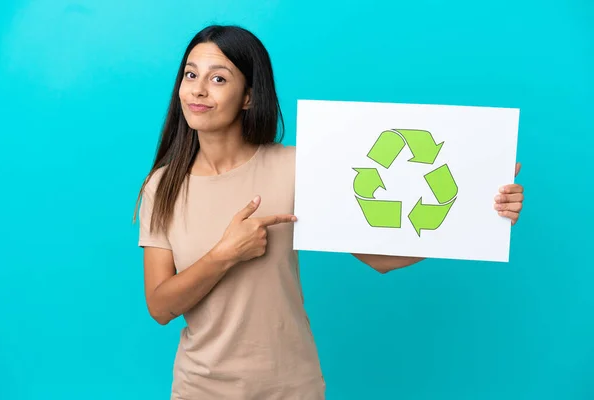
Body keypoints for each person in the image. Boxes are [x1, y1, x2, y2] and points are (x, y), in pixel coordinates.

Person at [134, 25, 525, 400]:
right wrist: (226, 254)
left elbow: (378, 258)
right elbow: (161, 306)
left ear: (249, 96)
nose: (198, 90)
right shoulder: (162, 187)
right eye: (190, 75)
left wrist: (477, 215)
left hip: (290, 386)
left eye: (218, 79)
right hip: (201, 388)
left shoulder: (299, 168)